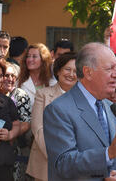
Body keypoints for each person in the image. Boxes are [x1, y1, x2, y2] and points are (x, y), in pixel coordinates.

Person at [43, 42, 116, 181]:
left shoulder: (112, 108)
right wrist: (106, 154)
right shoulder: (59, 110)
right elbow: (63, 163)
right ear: (88, 72)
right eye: (110, 68)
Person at [26, 52, 77, 181]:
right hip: (46, 162)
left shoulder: (83, 99)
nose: (71, 74)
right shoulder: (43, 94)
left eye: (76, 71)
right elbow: (38, 128)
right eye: (67, 69)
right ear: (58, 71)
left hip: (75, 164)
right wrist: (55, 156)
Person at [0, 62, 32, 181]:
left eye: (13, 76)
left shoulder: (19, 95)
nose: (10, 79)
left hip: (13, 147)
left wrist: (11, 134)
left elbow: (26, 123)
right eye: (6, 75)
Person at [18, 43, 56, 107]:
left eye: (34, 56)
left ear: (44, 59)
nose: (30, 59)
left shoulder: (53, 83)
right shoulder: (19, 81)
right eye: (28, 56)